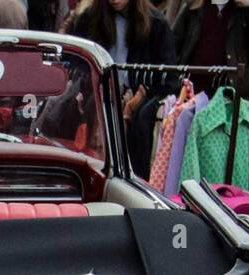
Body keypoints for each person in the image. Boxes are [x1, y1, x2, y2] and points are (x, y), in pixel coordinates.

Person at [64, 0, 176, 177]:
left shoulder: (156, 23)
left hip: (138, 97)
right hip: (97, 93)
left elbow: (168, 75)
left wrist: (143, 93)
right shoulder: (89, 19)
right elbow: (76, 64)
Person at [172, 0, 249, 100]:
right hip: (193, 91)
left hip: (230, 94)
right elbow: (173, 44)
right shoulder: (194, 6)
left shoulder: (244, 9)